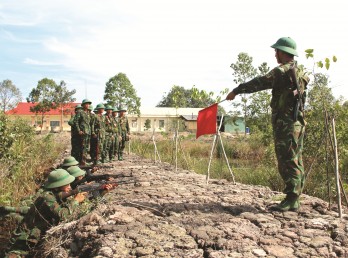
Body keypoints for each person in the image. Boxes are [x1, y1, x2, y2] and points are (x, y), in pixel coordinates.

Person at [226, 37, 310, 212]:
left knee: (287, 160)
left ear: (283, 52)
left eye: (276, 51)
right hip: (298, 122)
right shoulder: (300, 71)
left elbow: (259, 82)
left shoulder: (282, 72)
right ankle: (294, 195)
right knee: (296, 158)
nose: (275, 54)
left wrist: (236, 90)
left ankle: (292, 199)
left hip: (286, 124)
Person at [5, 169, 86, 257]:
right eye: (67, 185)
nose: (70, 187)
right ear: (56, 186)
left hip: (36, 237)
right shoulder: (47, 197)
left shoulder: (55, 195)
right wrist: (76, 201)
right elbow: (64, 215)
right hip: (25, 238)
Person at [74, 99, 92, 165]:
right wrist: (79, 130)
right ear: (83, 105)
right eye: (86, 104)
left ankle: (84, 160)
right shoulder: (80, 112)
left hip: (88, 132)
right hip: (83, 132)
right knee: (82, 147)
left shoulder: (88, 113)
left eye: (88, 104)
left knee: (86, 147)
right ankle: (82, 161)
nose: (88, 105)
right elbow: (76, 122)